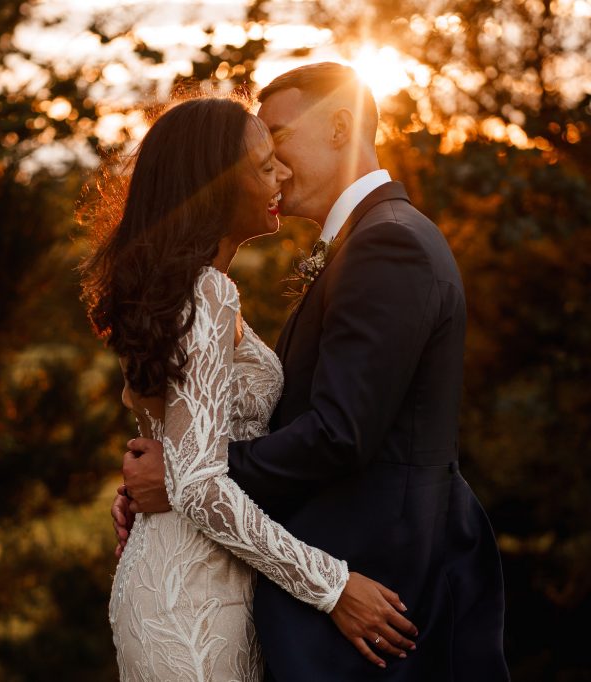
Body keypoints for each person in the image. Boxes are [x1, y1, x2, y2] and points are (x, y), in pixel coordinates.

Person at [113, 63, 509, 680]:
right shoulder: (361, 242)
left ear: (339, 127)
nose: (272, 163)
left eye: (277, 137)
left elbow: (338, 432)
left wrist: (180, 475)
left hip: (385, 570)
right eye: (260, 153)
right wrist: (182, 472)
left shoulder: (387, 242)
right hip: (231, 588)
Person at [81, 95, 417, 681]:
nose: (282, 175)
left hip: (192, 579)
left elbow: (182, 457)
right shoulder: (207, 293)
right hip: (193, 600)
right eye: (265, 166)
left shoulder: (184, 290)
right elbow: (198, 485)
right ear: (215, 184)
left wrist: (156, 478)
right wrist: (332, 586)